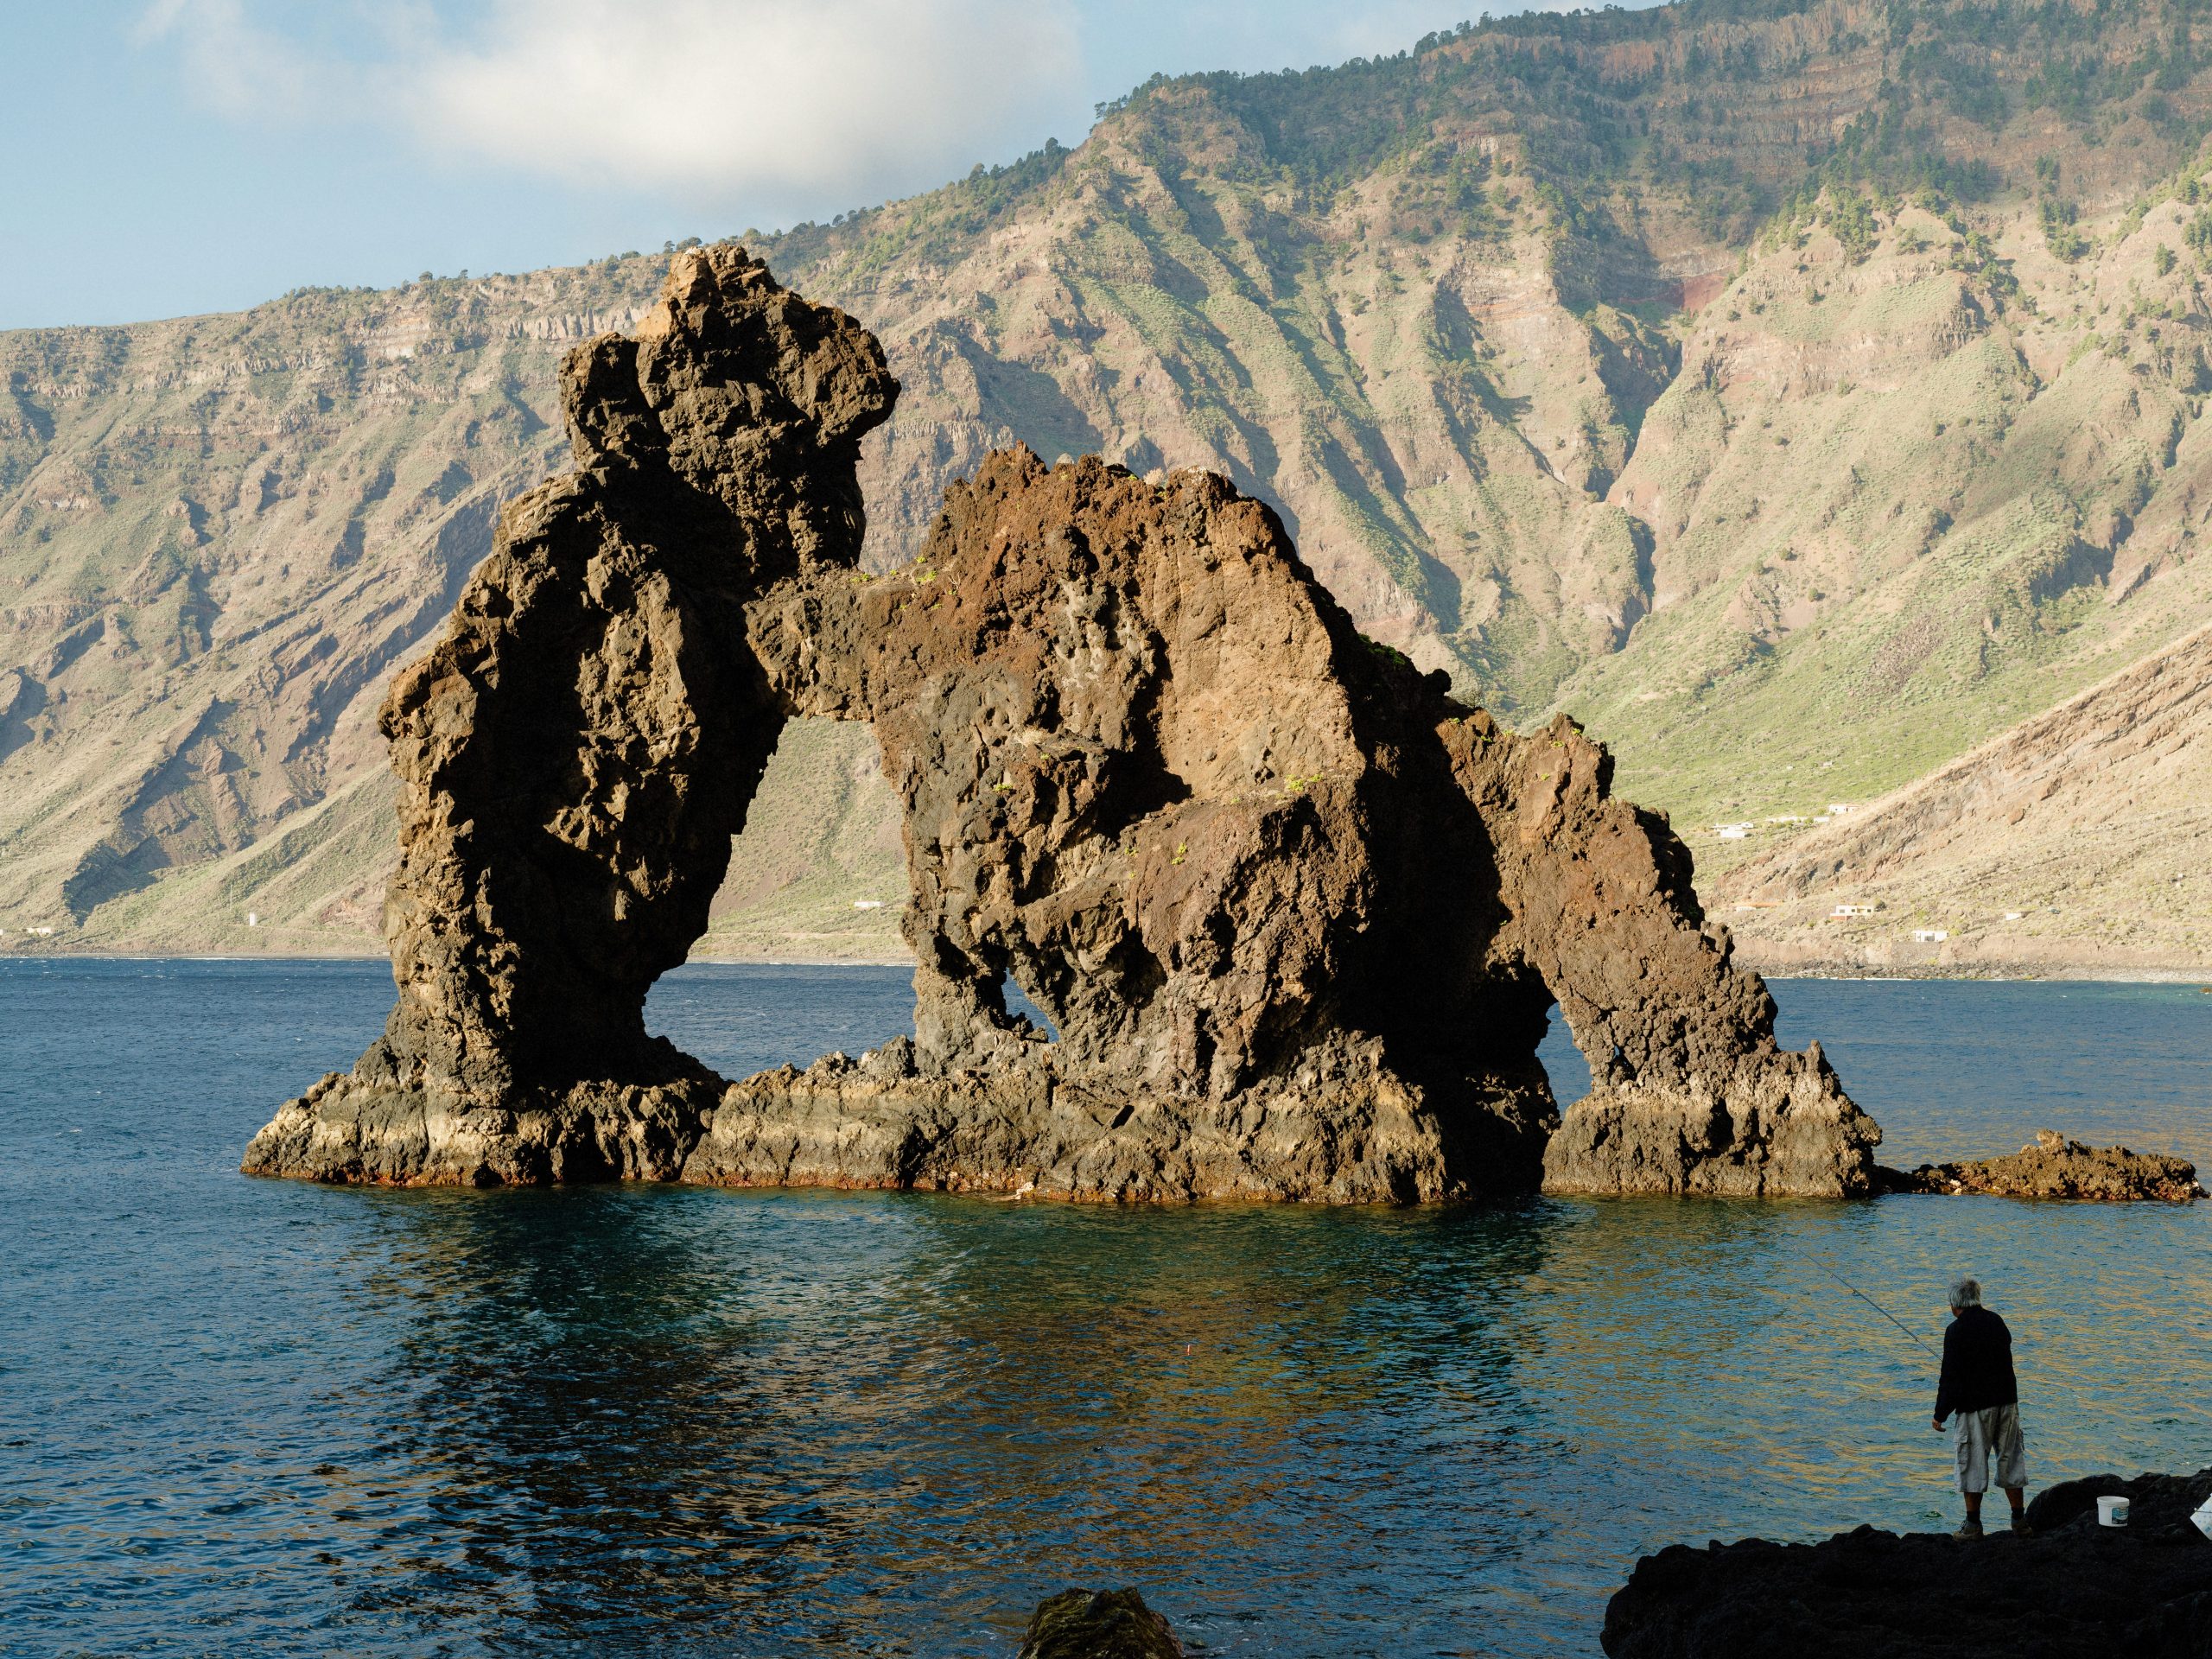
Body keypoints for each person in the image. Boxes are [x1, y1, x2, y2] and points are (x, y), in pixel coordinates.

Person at [1932, 1274, 2029, 1537]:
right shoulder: (1997, 1321)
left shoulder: (1955, 1331)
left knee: (1972, 1462)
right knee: (2011, 1458)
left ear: (1954, 1304)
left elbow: (1950, 1378)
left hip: (1975, 1408)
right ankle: (2019, 1520)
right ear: (1977, 1298)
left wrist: (1940, 1414)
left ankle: (1973, 1525)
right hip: (2007, 1402)